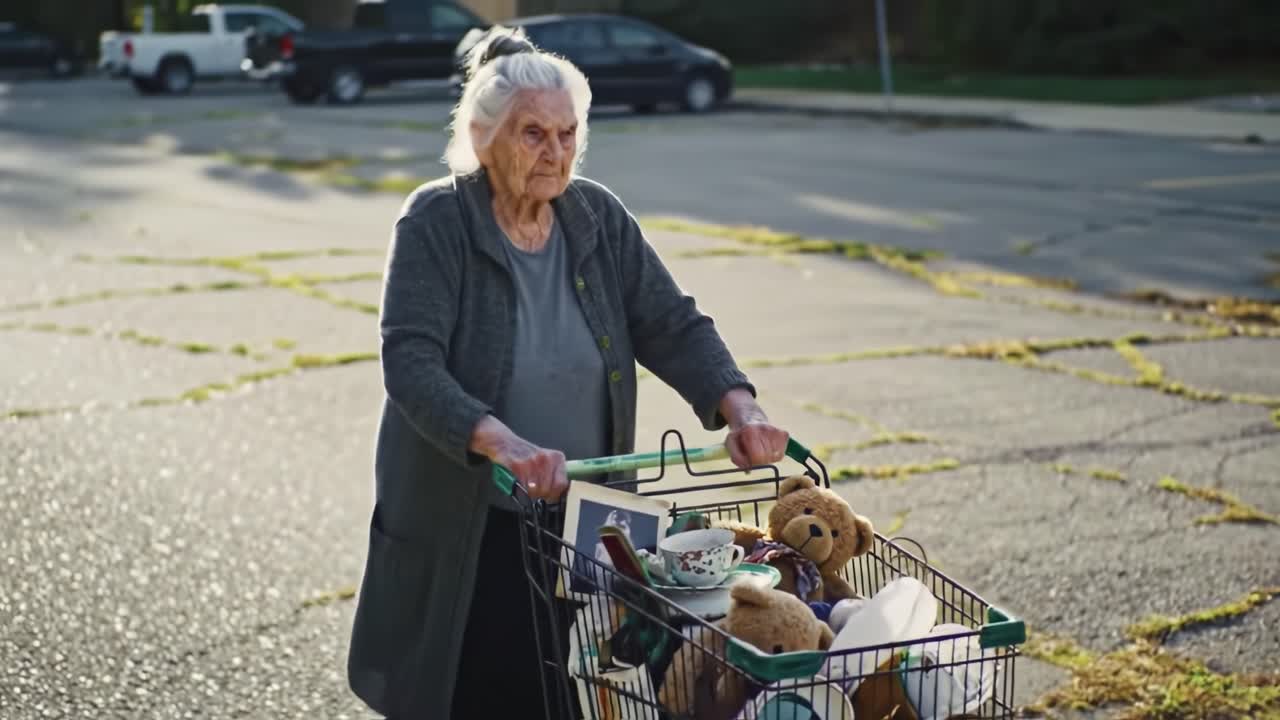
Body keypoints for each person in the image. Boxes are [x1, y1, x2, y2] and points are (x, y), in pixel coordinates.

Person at [345, 27, 791, 720]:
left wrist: (741, 407)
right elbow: (411, 363)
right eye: (532, 134)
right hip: (475, 524)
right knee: (478, 691)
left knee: (583, 690)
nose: (555, 153)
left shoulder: (596, 217)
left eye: (567, 134)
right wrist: (506, 444)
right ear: (482, 135)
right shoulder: (437, 221)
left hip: (589, 520)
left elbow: (672, 322)